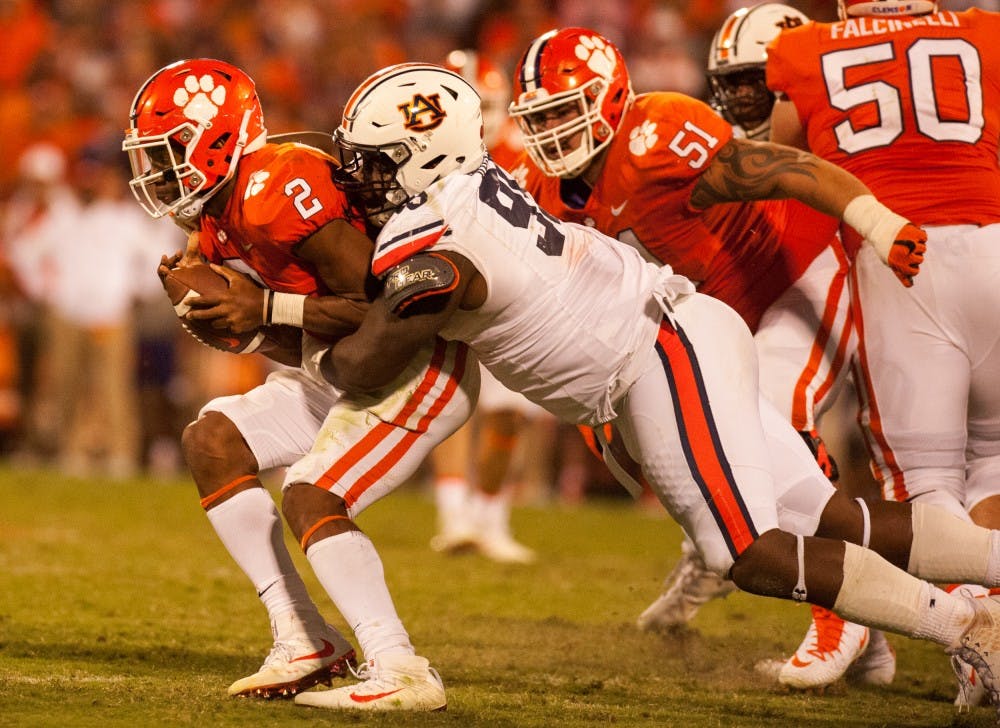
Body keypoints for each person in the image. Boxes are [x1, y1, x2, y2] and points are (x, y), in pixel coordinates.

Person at [315, 62, 1000, 719]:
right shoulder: (476, 189)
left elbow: (366, 364)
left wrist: (277, 325)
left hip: (660, 354)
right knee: (836, 520)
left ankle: (967, 627)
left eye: (376, 161)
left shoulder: (436, 241)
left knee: (748, 555)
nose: (359, 178)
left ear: (426, 157)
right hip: (669, 342)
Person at [503, 22, 894, 686]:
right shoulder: (542, 193)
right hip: (713, 318)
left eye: (569, 110)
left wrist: (876, 221)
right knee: (681, 448)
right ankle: (863, 625)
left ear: (612, 96)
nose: (557, 131)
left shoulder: (655, 134)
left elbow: (789, 170)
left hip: (793, 275)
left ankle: (839, 615)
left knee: (776, 418)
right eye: (544, 117)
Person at [123, 58, 479, 711]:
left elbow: (383, 308)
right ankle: (303, 636)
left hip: (412, 364)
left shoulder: (275, 186)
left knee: (312, 495)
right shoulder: (218, 211)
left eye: (170, 151)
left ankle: (399, 665)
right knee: (213, 440)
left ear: (218, 138)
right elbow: (311, 337)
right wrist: (246, 330)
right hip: (344, 368)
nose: (158, 172)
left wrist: (262, 312)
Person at [766, 0, 1000, 708]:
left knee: (927, 480)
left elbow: (784, 163)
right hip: (993, 244)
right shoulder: (984, 30)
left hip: (898, 255)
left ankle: (979, 654)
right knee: (993, 457)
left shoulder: (807, 47)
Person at [424, 48, 543, 564]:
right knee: (451, 403)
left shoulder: (526, 152)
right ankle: (454, 518)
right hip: (450, 294)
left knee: (509, 414)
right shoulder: (424, 154)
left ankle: (489, 517)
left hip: (513, 297)